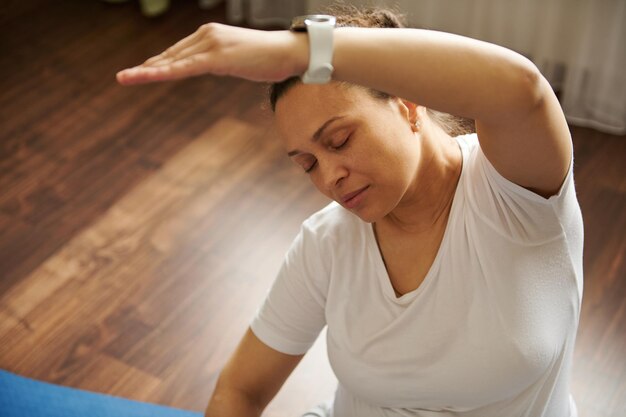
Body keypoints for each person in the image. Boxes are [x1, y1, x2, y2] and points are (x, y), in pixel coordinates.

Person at [117, 6, 583, 417]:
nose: (328, 178)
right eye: (307, 164)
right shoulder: (327, 243)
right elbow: (240, 389)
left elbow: (521, 90)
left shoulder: (516, 196)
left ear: (407, 104)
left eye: (339, 140)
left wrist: (302, 51)